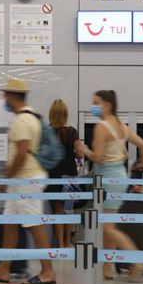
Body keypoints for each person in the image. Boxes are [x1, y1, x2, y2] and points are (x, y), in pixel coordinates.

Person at [0, 78, 57, 284]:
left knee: (34, 225)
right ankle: (3, 270)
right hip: (22, 179)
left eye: (5, 94)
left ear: (13, 96)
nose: (3, 98)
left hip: (26, 180)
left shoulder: (22, 121)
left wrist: (8, 177)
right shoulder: (32, 117)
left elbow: (22, 154)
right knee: (10, 224)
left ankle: (48, 272)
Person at [78, 90, 143, 282]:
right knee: (109, 225)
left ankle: (137, 259)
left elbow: (98, 157)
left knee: (107, 228)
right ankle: (107, 269)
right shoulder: (122, 126)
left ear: (107, 105)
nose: (93, 106)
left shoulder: (101, 127)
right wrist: (142, 164)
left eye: (96, 103)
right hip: (121, 176)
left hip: (107, 179)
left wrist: (85, 150)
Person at [47, 99, 84, 248]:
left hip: (53, 173)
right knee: (69, 208)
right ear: (65, 114)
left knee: (57, 209)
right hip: (69, 173)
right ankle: (68, 242)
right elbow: (80, 153)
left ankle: (60, 243)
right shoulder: (71, 132)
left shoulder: (47, 132)